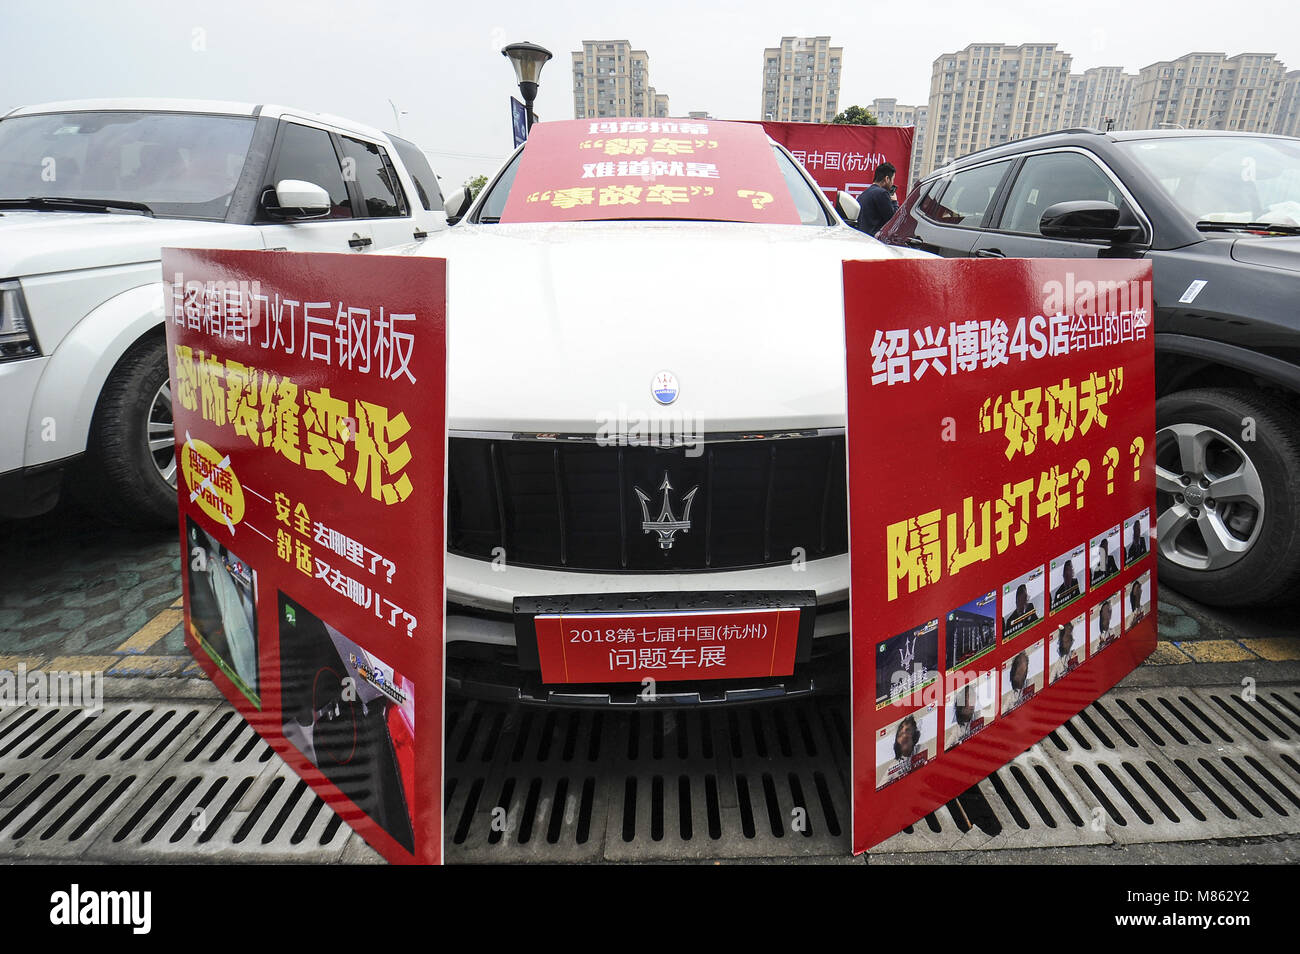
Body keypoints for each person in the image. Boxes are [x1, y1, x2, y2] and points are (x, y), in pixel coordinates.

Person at [855, 161, 898, 236]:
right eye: (893, 179)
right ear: (887, 179)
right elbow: (893, 220)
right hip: (874, 240)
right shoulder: (882, 193)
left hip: (863, 237)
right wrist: (894, 201)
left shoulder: (864, 194)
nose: (892, 183)